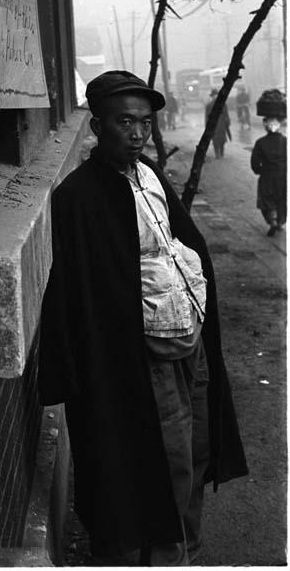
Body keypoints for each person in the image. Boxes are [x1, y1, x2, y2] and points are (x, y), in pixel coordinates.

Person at [38, 70, 248, 566]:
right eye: (124, 122)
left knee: (196, 452)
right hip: (145, 356)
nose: (137, 134)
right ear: (97, 127)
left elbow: (180, 244)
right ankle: (164, 559)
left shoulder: (150, 175)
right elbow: (81, 293)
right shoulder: (79, 196)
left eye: (145, 123)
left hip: (188, 342)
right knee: (167, 464)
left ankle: (186, 551)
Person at [251, 115, 287, 236]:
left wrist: (260, 170)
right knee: (282, 198)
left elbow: (255, 162)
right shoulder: (286, 141)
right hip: (283, 175)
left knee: (267, 198)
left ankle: (273, 220)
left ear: (266, 127)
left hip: (267, 175)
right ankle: (280, 222)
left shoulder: (260, 142)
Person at [205, 88, 231, 159]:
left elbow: (226, 114)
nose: (215, 97)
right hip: (213, 125)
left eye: (216, 95)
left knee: (222, 140)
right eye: (214, 95)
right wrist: (207, 126)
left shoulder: (223, 104)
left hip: (222, 125)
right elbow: (206, 116)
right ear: (212, 97)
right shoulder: (208, 105)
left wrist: (228, 122)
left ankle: (221, 153)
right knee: (215, 141)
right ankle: (217, 154)